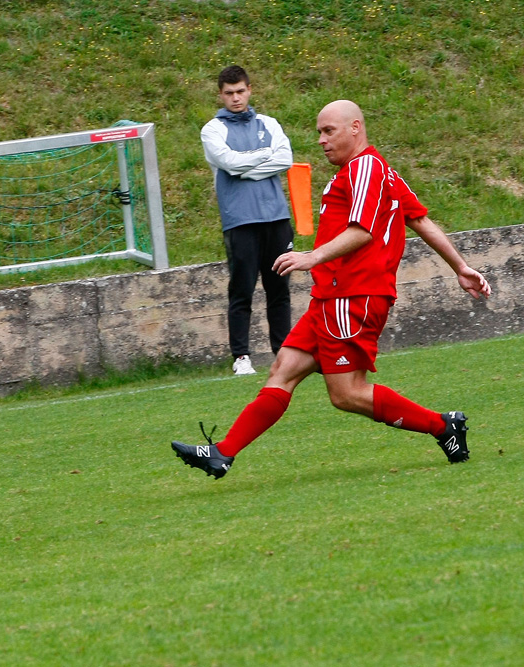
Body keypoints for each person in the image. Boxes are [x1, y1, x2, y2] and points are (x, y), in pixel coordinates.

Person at [172, 100, 491, 479]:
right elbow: (419, 219)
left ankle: (443, 426)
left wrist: (313, 257)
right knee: (283, 369)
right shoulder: (378, 171)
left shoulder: (366, 169)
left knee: (347, 394)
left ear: (355, 128)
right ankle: (222, 453)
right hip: (331, 297)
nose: (321, 140)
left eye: (329, 131)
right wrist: (461, 267)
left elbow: (363, 231)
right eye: (319, 132)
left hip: (353, 297)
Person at [201, 65, 295, 376]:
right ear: (220, 95)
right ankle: (241, 356)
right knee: (241, 289)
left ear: (250, 90)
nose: (235, 98)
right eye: (229, 93)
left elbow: (285, 159)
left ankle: (282, 353)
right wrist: (263, 157)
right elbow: (227, 163)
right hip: (239, 221)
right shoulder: (212, 130)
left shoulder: (268, 123)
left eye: (240, 91)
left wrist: (245, 167)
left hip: (277, 217)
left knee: (278, 288)